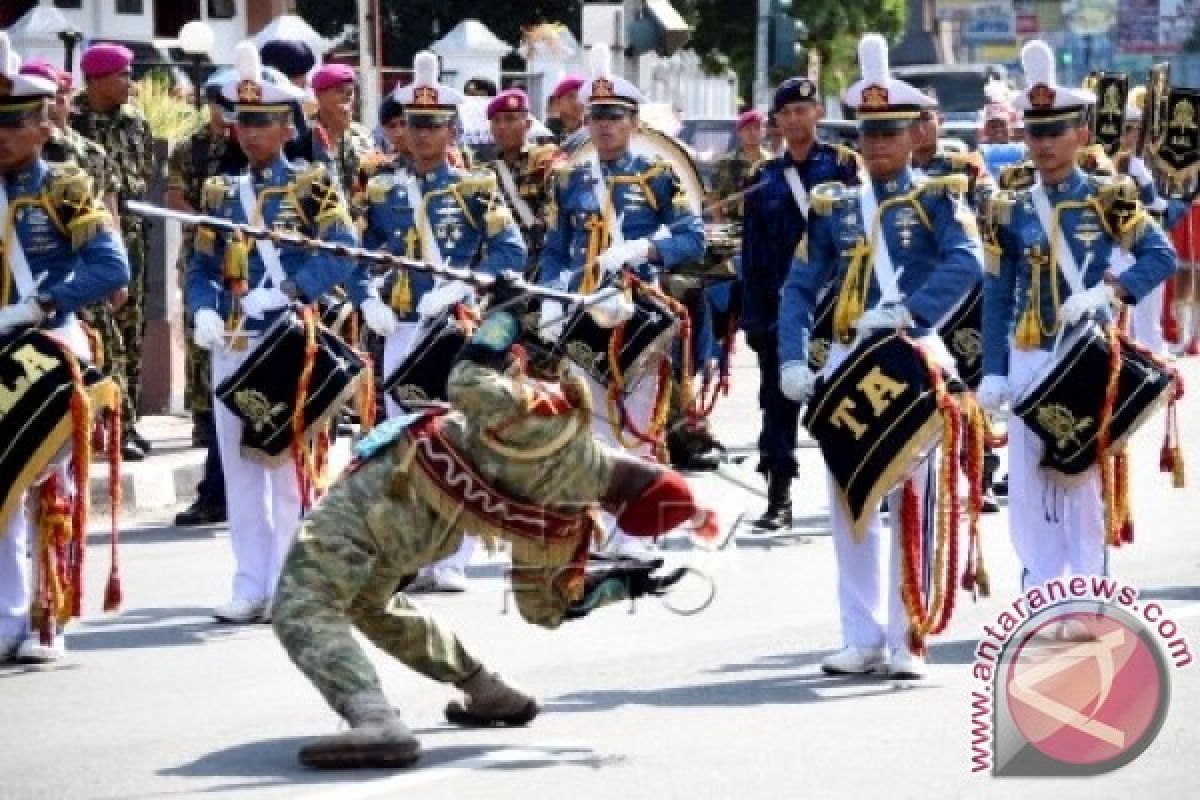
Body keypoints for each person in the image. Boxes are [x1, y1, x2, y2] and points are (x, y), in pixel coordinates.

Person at [272, 281, 713, 768]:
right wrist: (618, 585)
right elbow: (541, 608)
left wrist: (504, 317)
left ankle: (375, 719)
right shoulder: (569, 520)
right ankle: (485, 689)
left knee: (302, 603)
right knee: (371, 604)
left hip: (388, 493)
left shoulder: (556, 426)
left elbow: (465, 381)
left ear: (646, 477)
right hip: (431, 536)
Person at [777, 34, 984, 679]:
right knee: (851, 503)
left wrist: (910, 312)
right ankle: (860, 635)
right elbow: (799, 287)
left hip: (912, 358)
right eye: (868, 135)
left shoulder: (938, 197)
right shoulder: (834, 206)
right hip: (846, 363)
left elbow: (968, 263)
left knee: (915, 504)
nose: (877, 146)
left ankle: (908, 636)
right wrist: (792, 359)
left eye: (890, 133)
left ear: (914, 134)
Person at [185, 41, 397, 624]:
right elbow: (201, 266)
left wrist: (288, 291)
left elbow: (344, 251)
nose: (249, 133)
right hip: (232, 340)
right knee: (238, 466)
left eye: (262, 123)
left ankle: (293, 582)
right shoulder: (217, 193)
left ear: (286, 125)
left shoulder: (313, 185)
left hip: (288, 340)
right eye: (242, 121)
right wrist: (202, 308)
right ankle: (250, 581)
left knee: (286, 467)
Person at [977, 41, 1176, 590]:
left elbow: (1161, 256)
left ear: (1081, 135)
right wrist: (992, 368)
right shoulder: (1007, 207)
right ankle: (1039, 593)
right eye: (1033, 131)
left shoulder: (1109, 197)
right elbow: (996, 293)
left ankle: (1086, 591)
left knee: (1082, 477)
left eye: (1053, 130)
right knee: (1030, 481)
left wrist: (1112, 292)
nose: (1041, 143)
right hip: (1026, 350)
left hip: (1084, 352)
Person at [362, 51, 526, 592]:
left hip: (455, 326)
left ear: (452, 128)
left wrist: (461, 286)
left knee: (456, 439)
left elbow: (510, 253)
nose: (424, 135)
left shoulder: (476, 187)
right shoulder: (382, 188)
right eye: (414, 124)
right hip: (401, 324)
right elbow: (364, 252)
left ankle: (454, 555)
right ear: (401, 129)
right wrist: (369, 299)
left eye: (434, 125)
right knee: (402, 440)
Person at [537, 44, 705, 557]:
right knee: (591, 424)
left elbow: (693, 237)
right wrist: (551, 299)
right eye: (595, 116)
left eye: (614, 116)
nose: (604, 126)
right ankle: (603, 529)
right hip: (583, 312)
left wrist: (647, 246)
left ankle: (641, 527)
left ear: (633, 121)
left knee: (639, 423)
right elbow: (552, 248)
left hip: (639, 312)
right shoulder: (567, 178)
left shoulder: (657, 175)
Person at [0, 36, 130, 663]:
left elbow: (110, 266)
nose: (2, 137)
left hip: (52, 347)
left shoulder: (66, 187)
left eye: (14, 124)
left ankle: (48, 617)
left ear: (40, 123)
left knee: (49, 487)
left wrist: (47, 302)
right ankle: (6, 614)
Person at [739, 76, 860, 531]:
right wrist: (751, 316)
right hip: (779, 307)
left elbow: (859, 240)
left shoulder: (845, 166)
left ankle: (855, 487)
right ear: (777, 121)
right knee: (777, 402)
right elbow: (751, 253)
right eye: (786, 112)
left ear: (817, 114)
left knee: (847, 398)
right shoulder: (762, 178)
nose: (795, 119)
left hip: (839, 305)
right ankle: (778, 496)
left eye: (802, 110)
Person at [166, 74, 252, 527]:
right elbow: (182, 205)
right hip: (217, 277)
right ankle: (216, 493)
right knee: (222, 399)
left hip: (275, 300)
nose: (243, 126)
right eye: (232, 110)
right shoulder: (199, 152)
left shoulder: (298, 158)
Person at [70, 42, 155, 462]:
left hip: (132, 233)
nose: (129, 83)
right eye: (121, 75)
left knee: (131, 327)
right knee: (100, 334)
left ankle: (127, 422)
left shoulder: (136, 123)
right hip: (87, 238)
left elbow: (140, 179)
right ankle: (98, 421)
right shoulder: (71, 123)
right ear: (95, 80)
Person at [485, 88, 560, 278]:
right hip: (500, 260)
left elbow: (555, 208)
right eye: (496, 121)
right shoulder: (485, 171)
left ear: (527, 124)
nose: (502, 126)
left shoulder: (546, 159)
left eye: (510, 119)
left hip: (540, 260)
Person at [287, 63, 379, 201]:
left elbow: (372, 180)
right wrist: (334, 134)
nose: (347, 96)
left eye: (350, 91)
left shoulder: (363, 135)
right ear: (319, 96)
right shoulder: (302, 139)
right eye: (339, 90)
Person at [708, 109, 770, 224]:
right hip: (735, 224)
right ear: (740, 132)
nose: (752, 132)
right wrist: (718, 221)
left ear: (764, 131)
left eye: (757, 127)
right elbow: (713, 196)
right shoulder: (726, 163)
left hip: (766, 225)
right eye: (747, 128)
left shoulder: (773, 162)